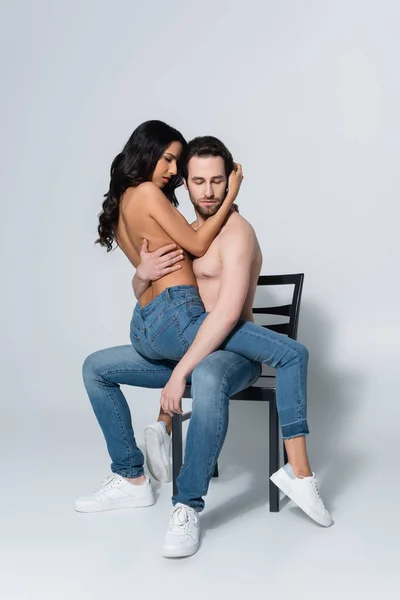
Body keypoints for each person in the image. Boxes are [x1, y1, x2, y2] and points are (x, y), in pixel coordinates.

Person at [77, 126, 333, 559]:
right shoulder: (190, 230)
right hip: (189, 341)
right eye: (197, 180)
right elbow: (160, 298)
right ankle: (130, 475)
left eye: (218, 181)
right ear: (186, 184)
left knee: (216, 372)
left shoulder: (235, 232)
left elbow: (227, 315)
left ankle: (188, 504)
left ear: (229, 180)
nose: (209, 190)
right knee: (95, 368)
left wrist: (178, 377)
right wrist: (141, 274)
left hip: (234, 353)